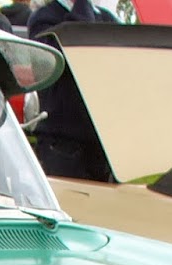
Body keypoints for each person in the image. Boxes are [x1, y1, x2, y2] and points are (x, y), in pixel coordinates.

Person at [27, 0, 118, 182]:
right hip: (62, 143)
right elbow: (78, 46)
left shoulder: (106, 19)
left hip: (101, 143)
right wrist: (82, 7)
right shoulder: (45, 19)